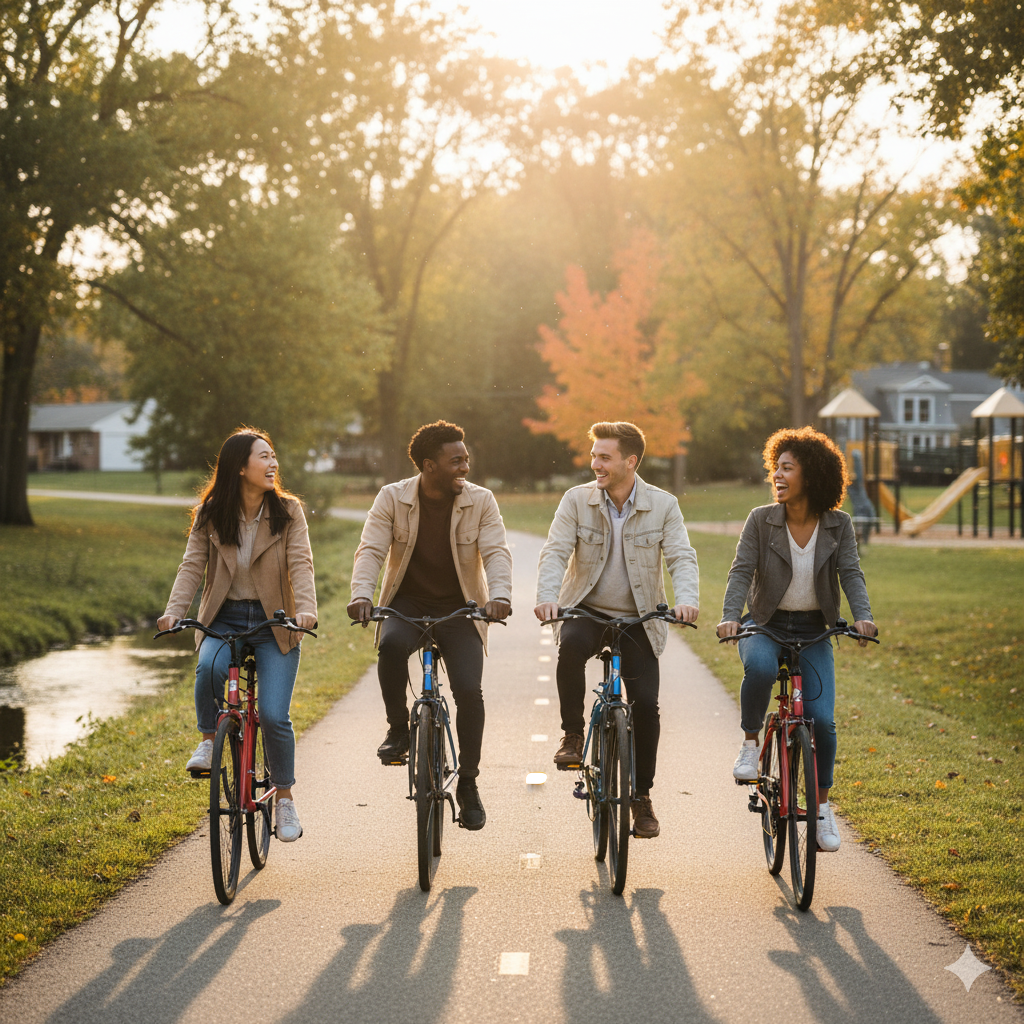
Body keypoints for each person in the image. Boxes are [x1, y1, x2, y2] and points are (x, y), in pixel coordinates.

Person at [534, 421, 699, 840]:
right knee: (569, 647)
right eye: (594, 456)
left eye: (604, 457)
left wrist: (687, 600)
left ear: (631, 461)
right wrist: (548, 596)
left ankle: (641, 797)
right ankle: (572, 735)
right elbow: (555, 551)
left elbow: (681, 556)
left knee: (645, 704)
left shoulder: (663, 505)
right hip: (586, 609)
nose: (595, 464)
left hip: (639, 617)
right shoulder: (577, 500)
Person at [716, 426, 878, 853]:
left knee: (822, 721)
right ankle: (751, 743)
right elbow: (740, 571)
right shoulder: (760, 519)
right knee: (763, 667)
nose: (778, 475)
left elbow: (851, 573)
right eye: (776, 467)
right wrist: (731, 617)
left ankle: (821, 808)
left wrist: (862, 617)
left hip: (815, 630)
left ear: (814, 475)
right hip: (766, 623)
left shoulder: (838, 525)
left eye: (788, 468)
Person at [347, 420, 512, 831]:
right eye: (456, 461)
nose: (465, 468)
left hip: (461, 607)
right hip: (407, 602)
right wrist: (361, 595)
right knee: (389, 647)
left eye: (466, 459)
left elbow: (496, 551)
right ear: (429, 465)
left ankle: (469, 783)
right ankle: (398, 729)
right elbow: (370, 550)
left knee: (469, 691)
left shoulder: (481, 500)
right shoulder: (392, 497)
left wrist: (501, 596)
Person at [158, 428, 317, 842]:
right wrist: (175, 612)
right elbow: (192, 566)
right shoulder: (211, 513)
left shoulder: (288, 511)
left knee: (273, 715)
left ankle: (283, 800)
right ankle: (210, 742)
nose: (272, 463)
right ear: (240, 467)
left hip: (274, 622)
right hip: (224, 618)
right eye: (263, 456)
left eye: (273, 456)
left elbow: (301, 563)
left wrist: (306, 610)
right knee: (209, 667)